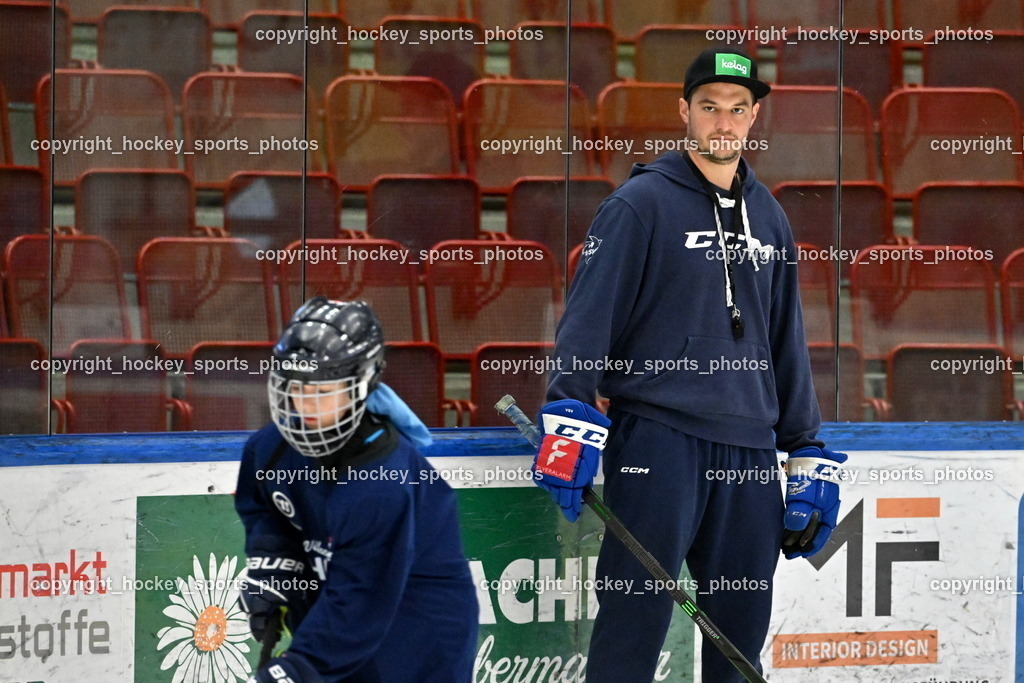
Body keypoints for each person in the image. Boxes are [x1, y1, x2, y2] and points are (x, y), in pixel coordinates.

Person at [530, 48, 847, 681]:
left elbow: (784, 338)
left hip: (751, 453)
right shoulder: (638, 205)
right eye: (709, 108)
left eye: (737, 110)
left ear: (754, 116)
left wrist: (805, 445)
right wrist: (567, 406)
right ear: (684, 111)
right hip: (659, 440)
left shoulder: (771, 217)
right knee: (631, 627)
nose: (722, 124)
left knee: (737, 643)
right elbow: (590, 316)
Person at [235, 296, 479, 682]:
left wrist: (299, 668)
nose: (305, 405)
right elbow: (267, 511)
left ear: (361, 388)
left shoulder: (382, 481)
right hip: (339, 615)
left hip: (416, 631)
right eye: (297, 388)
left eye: (322, 392)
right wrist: (276, 564)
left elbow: (362, 598)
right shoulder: (268, 449)